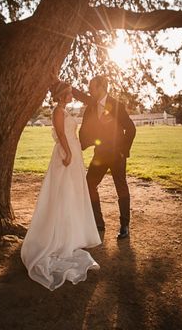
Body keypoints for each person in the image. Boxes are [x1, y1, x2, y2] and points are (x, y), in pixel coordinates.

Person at [20, 82, 101, 291]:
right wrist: (69, 153)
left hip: (73, 154)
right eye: (70, 92)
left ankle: (70, 234)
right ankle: (56, 237)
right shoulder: (58, 111)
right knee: (62, 194)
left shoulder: (63, 110)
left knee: (72, 195)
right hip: (66, 155)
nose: (72, 94)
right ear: (63, 95)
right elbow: (62, 134)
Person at [71, 75, 136, 239]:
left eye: (92, 88)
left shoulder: (117, 105)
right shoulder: (92, 104)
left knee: (120, 186)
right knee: (89, 184)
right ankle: (98, 222)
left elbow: (131, 129)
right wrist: (58, 82)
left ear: (101, 87)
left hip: (117, 155)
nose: (90, 91)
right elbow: (78, 94)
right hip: (100, 154)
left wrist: (123, 150)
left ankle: (125, 225)